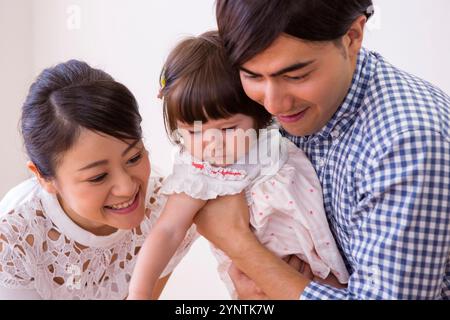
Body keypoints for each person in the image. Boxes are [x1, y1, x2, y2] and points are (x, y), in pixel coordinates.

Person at [192, 0, 450, 299]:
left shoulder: (408, 144)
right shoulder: (263, 106)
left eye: (296, 76)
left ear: (353, 36)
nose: (273, 104)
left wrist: (240, 246)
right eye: (252, 76)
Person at [127, 31, 349, 300]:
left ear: (258, 114)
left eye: (228, 128)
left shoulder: (277, 136)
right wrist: (139, 292)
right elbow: (168, 230)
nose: (212, 144)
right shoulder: (201, 172)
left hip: (325, 266)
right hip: (258, 282)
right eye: (193, 132)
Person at [0, 60, 197, 299]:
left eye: (134, 157)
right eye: (98, 177)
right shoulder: (14, 239)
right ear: (44, 177)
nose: (127, 188)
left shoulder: (166, 213)